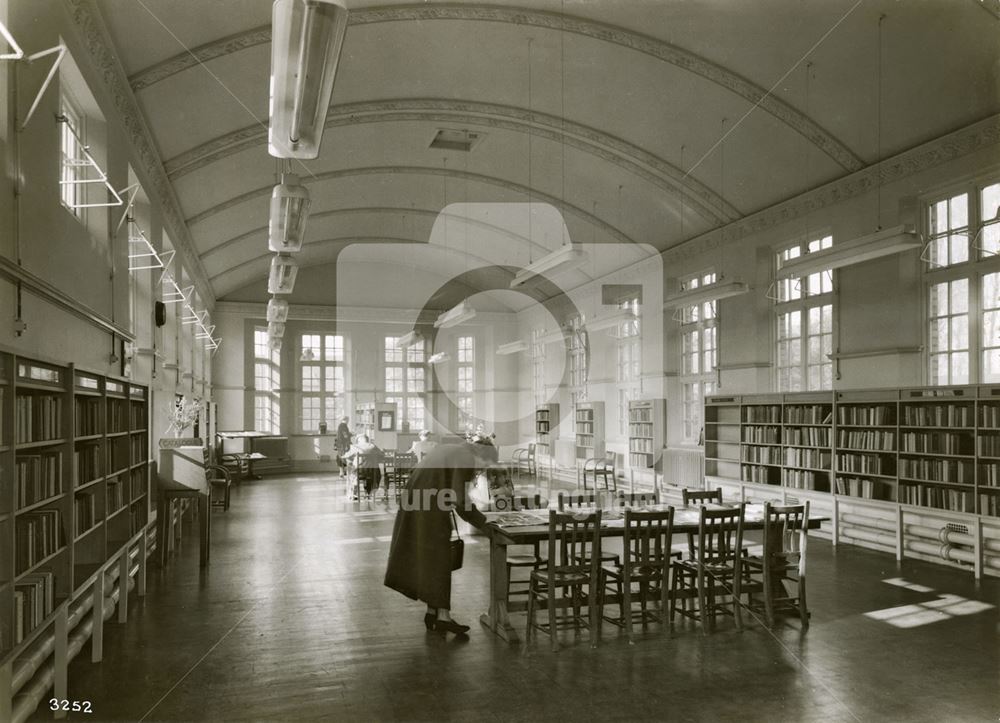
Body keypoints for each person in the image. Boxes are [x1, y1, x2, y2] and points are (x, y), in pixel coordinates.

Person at [384, 439, 499, 635]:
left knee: (431, 560)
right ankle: (443, 617)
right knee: (440, 560)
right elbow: (460, 499)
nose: (480, 471)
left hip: (418, 503)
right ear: (481, 455)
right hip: (428, 508)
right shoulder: (466, 457)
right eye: (484, 465)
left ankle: (432, 613)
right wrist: (484, 524)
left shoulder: (452, 448)